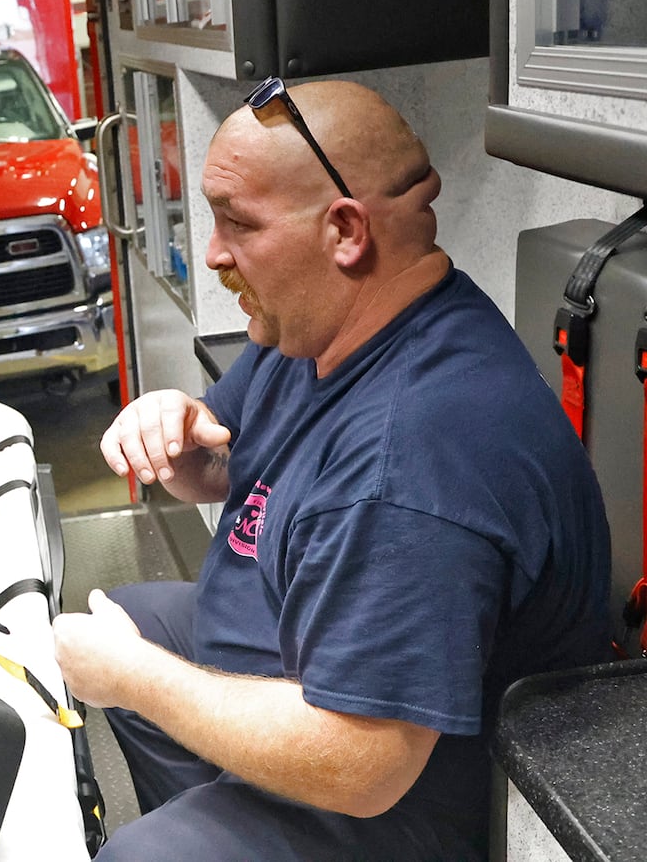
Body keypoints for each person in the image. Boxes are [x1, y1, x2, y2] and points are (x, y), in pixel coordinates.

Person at [53, 79, 611, 861]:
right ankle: (225, 810)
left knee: (138, 845)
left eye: (237, 225)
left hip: (408, 798)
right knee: (139, 614)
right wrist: (183, 444)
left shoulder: (415, 457)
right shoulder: (321, 325)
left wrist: (139, 680)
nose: (213, 252)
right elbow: (234, 459)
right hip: (309, 648)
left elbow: (365, 767)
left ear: (345, 232)